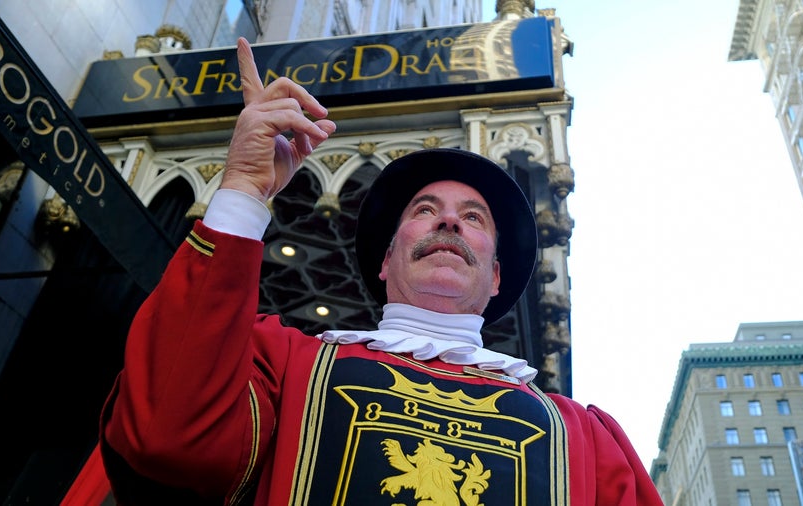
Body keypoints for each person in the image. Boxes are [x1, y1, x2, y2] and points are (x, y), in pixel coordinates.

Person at [99, 37, 663, 506]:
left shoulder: (586, 443)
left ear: (495, 277)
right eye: (424, 210)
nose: (448, 220)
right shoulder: (282, 368)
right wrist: (244, 189)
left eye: (474, 217)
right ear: (387, 258)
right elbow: (165, 432)